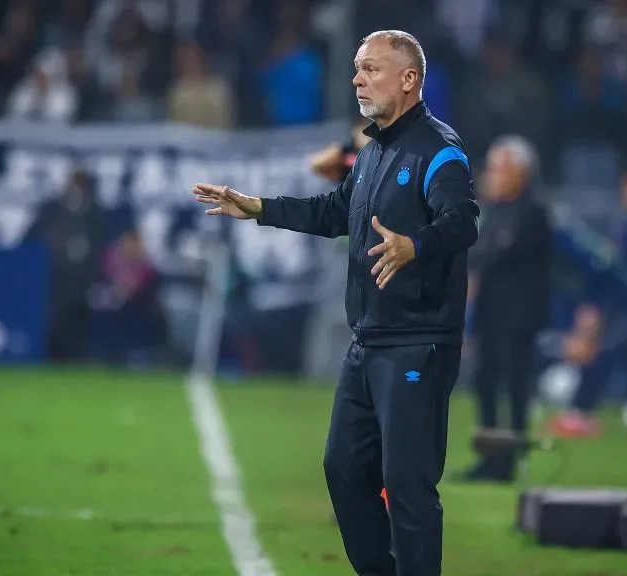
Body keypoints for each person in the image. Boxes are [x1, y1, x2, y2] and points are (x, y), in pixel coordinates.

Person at [191, 29, 479, 576]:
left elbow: (462, 221)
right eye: (357, 68)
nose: (357, 79)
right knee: (343, 467)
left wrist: (415, 245)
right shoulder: (371, 152)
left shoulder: (440, 150)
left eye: (370, 68)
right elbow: (331, 213)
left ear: (409, 79)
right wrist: (258, 208)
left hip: (417, 342)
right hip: (367, 341)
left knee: (408, 483)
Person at [463, 136, 552, 482]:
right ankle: (489, 458)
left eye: (500, 168)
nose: (492, 175)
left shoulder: (533, 211)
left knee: (514, 387)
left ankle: (510, 461)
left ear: (520, 173)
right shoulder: (496, 210)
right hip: (490, 312)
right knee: (484, 383)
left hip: (518, 316)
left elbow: (494, 252)